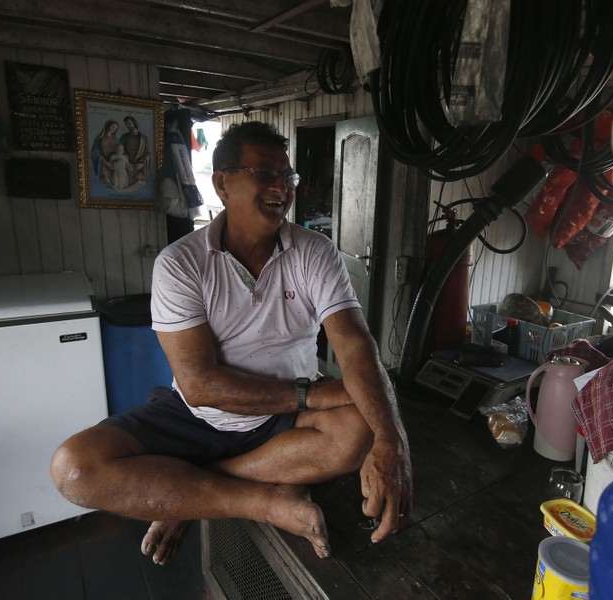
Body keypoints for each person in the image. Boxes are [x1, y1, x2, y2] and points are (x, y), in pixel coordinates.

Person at [51, 121, 413, 566]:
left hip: (286, 421)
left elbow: (356, 348)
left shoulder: (314, 252)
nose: (282, 186)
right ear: (222, 183)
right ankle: (262, 503)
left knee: (360, 428)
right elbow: (200, 385)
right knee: (75, 468)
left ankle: (195, 492)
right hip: (198, 417)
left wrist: (391, 442)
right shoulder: (181, 264)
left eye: (288, 177)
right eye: (265, 173)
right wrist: (310, 394)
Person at [120, 115, 151, 183]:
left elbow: (148, 154)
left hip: (139, 167)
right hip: (127, 166)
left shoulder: (144, 138)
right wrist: (127, 162)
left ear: (134, 123)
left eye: (129, 123)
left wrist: (142, 163)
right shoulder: (124, 137)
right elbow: (119, 151)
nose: (127, 126)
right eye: (126, 124)